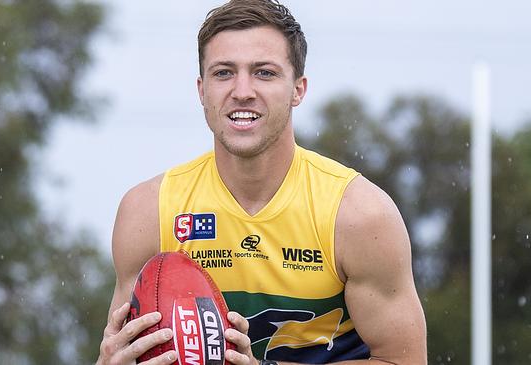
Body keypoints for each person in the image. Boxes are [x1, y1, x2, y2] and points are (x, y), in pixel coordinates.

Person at [97, 0, 427, 364]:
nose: (242, 91)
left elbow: (403, 360)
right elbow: (125, 351)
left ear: (298, 90)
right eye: (223, 73)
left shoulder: (358, 215)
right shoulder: (148, 211)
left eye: (264, 73)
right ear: (201, 90)